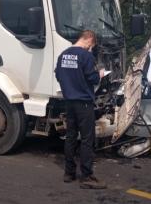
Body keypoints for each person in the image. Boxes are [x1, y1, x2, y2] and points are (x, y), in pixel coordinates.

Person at [55, 30, 106, 189]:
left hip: (69, 102)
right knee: (86, 139)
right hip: (84, 103)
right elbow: (92, 78)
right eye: (92, 46)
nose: (91, 48)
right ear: (89, 40)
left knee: (70, 136)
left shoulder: (63, 55)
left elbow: (58, 75)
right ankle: (86, 176)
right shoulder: (86, 56)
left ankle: (69, 173)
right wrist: (100, 74)